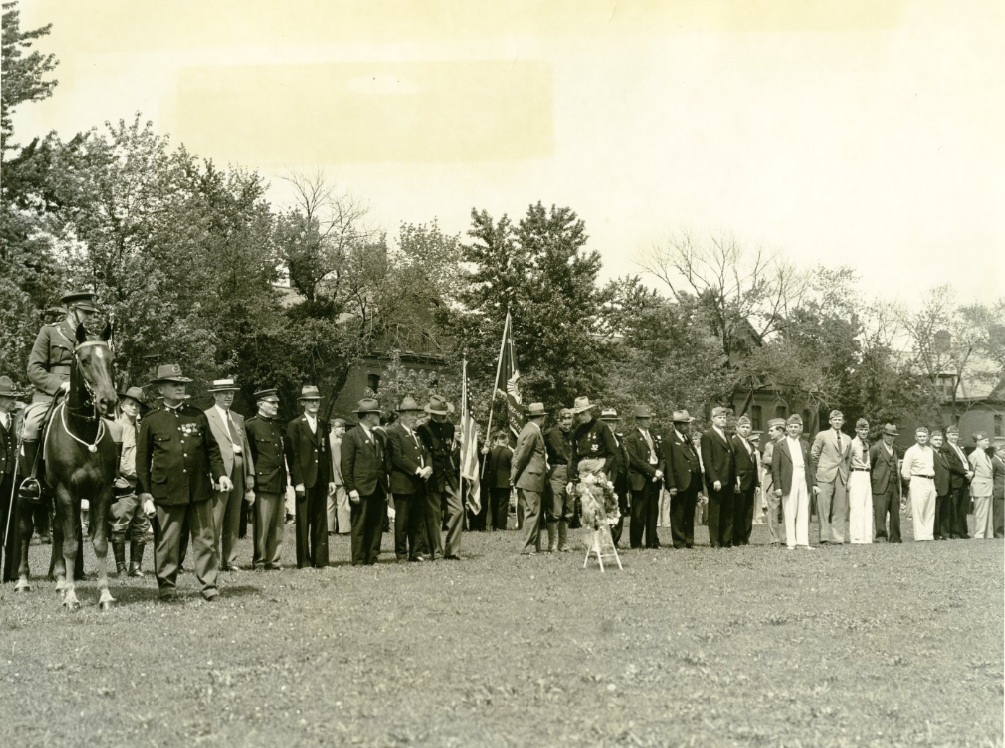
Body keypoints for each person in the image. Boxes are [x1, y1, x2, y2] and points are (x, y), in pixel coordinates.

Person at [137, 364, 229, 602]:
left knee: (205, 539)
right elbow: (142, 460)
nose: (180, 388)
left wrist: (221, 474)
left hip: (198, 489)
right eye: (174, 384)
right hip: (167, 490)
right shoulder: (151, 420)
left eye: (182, 384)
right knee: (168, 541)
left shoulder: (197, 415)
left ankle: (209, 586)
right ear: (161, 389)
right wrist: (145, 494)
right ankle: (167, 587)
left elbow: (212, 450)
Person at [20, 291, 102, 502]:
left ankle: (114, 476)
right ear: (71, 310)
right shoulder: (49, 332)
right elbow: (34, 369)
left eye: (91, 313)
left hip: (85, 397)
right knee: (31, 424)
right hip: (51, 395)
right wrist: (61, 384)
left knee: (113, 425)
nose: (89, 317)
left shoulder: (92, 338)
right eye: (85, 312)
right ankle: (33, 479)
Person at [203, 378, 255, 573]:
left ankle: (230, 560)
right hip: (220, 472)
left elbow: (246, 448)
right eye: (224, 393)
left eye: (231, 393)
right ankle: (213, 560)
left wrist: (250, 474)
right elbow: (204, 449)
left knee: (234, 518)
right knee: (216, 518)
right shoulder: (206, 416)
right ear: (215, 395)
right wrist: (210, 474)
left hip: (239, 470)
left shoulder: (238, 417)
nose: (228, 396)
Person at [107, 386, 152, 576]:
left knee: (141, 525)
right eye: (131, 404)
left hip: (142, 484)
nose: (135, 408)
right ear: (123, 405)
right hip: (123, 482)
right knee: (120, 523)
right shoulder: (115, 428)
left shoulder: (142, 428)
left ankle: (136, 566)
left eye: (138, 405)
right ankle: (121, 567)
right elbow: (113, 459)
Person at [286, 385, 332, 569]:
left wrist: (330, 479)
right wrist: (298, 482)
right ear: (303, 403)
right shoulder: (295, 425)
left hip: (320, 479)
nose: (314, 404)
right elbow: (293, 455)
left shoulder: (322, 423)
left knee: (321, 521)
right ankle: (304, 561)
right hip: (304, 480)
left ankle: (321, 560)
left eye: (316, 401)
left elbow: (326, 453)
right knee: (304, 522)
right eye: (310, 401)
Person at [341, 399, 388, 566]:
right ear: (369, 416)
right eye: (377, 414)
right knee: (360, 524)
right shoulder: (351, 436)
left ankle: (372, 556)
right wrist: (350, 489)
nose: (379, 417)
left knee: (375, 524)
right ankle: (359, 558)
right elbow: (346, 466)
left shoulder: (378, 436)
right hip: (361, 488)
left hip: (378, 487)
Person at [245, 388, 287, 570]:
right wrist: (250, 482)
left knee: (277, 525)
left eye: (277, 403)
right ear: (261, 404)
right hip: (263, 482)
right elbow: (250, 457)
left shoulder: (276, 425)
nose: (276, 406)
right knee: (262, 525)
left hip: (278, 480)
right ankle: (260, 560)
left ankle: (274, 560)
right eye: (272, 403)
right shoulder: (251, 426)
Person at [386, 397, 432, 562]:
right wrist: (418, 470)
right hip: (403, 483)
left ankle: (416, 552)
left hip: (419, 483)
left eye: (416, 414)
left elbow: (426, 453)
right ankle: (401, 553)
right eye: (412, 414)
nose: (415, 418)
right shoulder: (394, 432)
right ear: (402, 415)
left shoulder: (418, 434)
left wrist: (428, 467)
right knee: (402, 521)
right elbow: (398, 457)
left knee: (417, 520)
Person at [417, 394, 462, 560]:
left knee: (458, 510)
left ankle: (452, 550)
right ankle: (436, 551)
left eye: (445, 415)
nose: (444, 418)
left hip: (449, 475)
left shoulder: (450, 427)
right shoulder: (424, 429)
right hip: (433, 476)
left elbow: (449, 451)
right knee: (434, 515)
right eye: (441, 415)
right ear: (432, 414)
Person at [771, 414, 819, 550]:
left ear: (800, 428)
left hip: (803, 477)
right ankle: (791, 542)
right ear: (786, 428)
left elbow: (810, 466)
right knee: (789, 510)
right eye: (790, 426)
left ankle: (803, 541)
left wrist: (814, 483)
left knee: (803, 509)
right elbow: (776, 468)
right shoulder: (780, 445)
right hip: (788, 478)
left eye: (796, 427)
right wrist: (778, 486)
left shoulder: (804, 444)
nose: (793, 429)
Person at [511, 402, 549, 555]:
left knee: (532, 511)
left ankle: (534, 546)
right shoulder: (533, 432)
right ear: (542, 418)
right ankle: (527, 547)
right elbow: (522, 456)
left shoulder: (528, 429)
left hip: (528, 477)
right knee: (532, 512)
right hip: (531, 477)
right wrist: (514, 475)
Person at [625, 405, 664, 550]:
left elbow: (662, 457)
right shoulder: (632, 438)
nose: (649, 421)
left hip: (654, 478)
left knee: (653, 512)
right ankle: (636, 543)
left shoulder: (654, 436)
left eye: (650, 418)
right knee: (638, 513)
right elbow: (635, 460)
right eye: (646, 418)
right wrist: (653, 472)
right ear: (638, 421)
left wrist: (659, 470)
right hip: (640, 479)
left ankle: (651, 541)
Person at [663, 409, 703, 549]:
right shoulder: (669, 441)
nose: (688, 426)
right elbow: (668, 464)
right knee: (678, 513)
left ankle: (689, 540)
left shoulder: (688, 439)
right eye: (686, 424)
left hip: (691, 482)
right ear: (678, 425)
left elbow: (695, 460)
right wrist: (671, 485)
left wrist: (699, 486)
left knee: (689, 513)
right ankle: (679, 541)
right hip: (679, 483)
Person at [810, 409, 851, 545]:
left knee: (839, 508)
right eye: (835, 419)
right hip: (825, 475)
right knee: (824, 508)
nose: (837, 422)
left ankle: (838, 538)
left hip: (841, 476)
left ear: (843, 421)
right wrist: (817, 473)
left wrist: (846, 476)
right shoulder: (822, 435)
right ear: (830, 421)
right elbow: (814, 455)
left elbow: (847, 460)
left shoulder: (847, 439)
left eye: (840, 419)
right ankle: (824, 537)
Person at [701, 406, 736, 548]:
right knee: (715, 512)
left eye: (724, 418)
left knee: (728, 511)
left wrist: (736, 477)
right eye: (720, 417)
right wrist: (714, 478)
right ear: (712, 419)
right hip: (717, 479)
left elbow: (732, 458)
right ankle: (715, 540)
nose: (723, 420)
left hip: (729, 478)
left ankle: (726, 540)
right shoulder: (708, 436)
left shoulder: (727, 435)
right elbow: (707, 460)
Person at [543, 407, 575, 551]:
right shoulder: (551, 434)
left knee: (568, 509)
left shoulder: (574, 435)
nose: (567, 424)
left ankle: (564, 543)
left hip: (571, 473)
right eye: (565, 420)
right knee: (555, 509)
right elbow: (553, 451)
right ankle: (552, 544)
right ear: (559, 420)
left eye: (570, 420)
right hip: (556, 471)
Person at [598, 408, 630, 548]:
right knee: (606, 509)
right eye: (607, 422)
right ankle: (606, 540)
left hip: (622, 478)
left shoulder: (619, 438)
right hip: (609, 478)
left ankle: (615, 540)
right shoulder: (600, 439)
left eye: (613, 422)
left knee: (619, 509)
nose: (611, 425)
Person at [900, 426, 937, 541]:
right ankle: (920, 535)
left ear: (928, 437)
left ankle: (928, 535)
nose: (922, 438)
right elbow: (905, 471)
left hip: (930, 480)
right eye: (920, 436)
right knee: (919, 509)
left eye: (924, 436)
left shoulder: (930, 450)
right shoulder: (911, 451)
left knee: (930, 509)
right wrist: (913, 482)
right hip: (917, 480)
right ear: (915, 437)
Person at [0, 376, 21, 580]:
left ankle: (12, 573)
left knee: (13, 526)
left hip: (12, 480)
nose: (13, 401)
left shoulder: (16, 421)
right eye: (8, 397)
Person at [870, 424, 903, 543]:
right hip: (880, 484)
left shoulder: (894, 449)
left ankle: (895, 536)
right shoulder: (875, 448)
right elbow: (871, 467)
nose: (890, 438)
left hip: (893, 484)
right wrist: (872, 484)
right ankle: (881, 536)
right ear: (883, 435)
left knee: (895, 512)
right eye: (888, 435)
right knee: (880, 511)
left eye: (893, 436)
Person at [730, 415, 759, 546]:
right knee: (738, 511)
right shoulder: (734, 442)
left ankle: (746, 537)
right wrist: (735, 479)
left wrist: (757, 482)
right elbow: (733, 463)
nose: (745, 430)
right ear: (737, 428)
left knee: (748, 511)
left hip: (750, 482)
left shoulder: (750, 444)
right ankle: (737, 538)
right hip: (740, 480)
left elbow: (754, 465)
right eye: (743, 427)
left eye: (747, 427)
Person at [942, 425, 973, 539]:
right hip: (955, 481)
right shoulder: (945, 447)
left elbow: (966, 461)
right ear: (947, 435)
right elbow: (951, 465)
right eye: (952, 435)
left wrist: (971, 471)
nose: (954, 437)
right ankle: (954, 531)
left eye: (956, 435)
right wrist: (966, 473)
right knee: (954, 507)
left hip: (964, 481)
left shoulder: (960, 447)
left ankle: (962, 531)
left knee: (963, 507)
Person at [760, 418, 787, 546]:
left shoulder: (790, 443)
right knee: (773, 511)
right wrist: (780, 460)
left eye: (772, 431)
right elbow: (764, 459)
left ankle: (786, 537)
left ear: (780, 430)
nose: (769, 433)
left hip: (787, 480)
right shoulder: (769, 445)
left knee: (788, 510)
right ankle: (774, 539)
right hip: (772, 481)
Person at [847, 418, 874, 544]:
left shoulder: (866, 445)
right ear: (856, 430)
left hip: (866, 475)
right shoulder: (852, 444)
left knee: (867, 507)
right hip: (856, 474)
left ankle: (866, 537)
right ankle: (857, 537)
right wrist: (847, 480)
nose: (864, 432)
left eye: (866, 429)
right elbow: (847, 463)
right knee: (857, 507)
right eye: (861, 429)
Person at [483, 430, 514, 531]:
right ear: (506, 440)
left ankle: (494, 525)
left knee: (494, 504)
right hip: (505, 482)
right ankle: (501, 525)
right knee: (503, 504)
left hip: (493, 482)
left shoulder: (491, 452)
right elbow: (512, 467)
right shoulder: (509, 453)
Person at [968, 432, 994, 539]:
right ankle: (979, 534)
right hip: (980, 486)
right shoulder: (974, 455)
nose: (988, 442)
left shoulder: (985, 454)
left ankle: (988, 534)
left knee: (988, 511)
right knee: (980, 512)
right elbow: (970, 472)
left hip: (988, 486)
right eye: (985, 440)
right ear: (978, 442)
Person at [328, 418, 349, 535]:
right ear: (334, 428)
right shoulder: (336, 442)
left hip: (329, 478)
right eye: (342, 429)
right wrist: (343, 478)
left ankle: (329, 528)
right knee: (342, 504)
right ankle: (344, 529)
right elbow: (338, 462)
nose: (344, 431)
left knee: (330, 503)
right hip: (338, 478)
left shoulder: (327, 439)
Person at [930, 430, 952, 540]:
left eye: (940, 440)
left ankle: (945, 533)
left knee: (945, 512)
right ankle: (936, 533)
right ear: (931, 440)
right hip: (936, 486)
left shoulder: (943, 454)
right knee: (936, 512)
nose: (938, 442)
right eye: (936, 439)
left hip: (946, 486)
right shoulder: (929, 453)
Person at [991, 443, 1005, 539]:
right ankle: (998, 533)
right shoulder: (993, 461)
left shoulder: (1002, 461)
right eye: (1003, 451)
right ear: (996, 451)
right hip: (999, 490)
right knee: (999, 513)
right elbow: (991, 477)